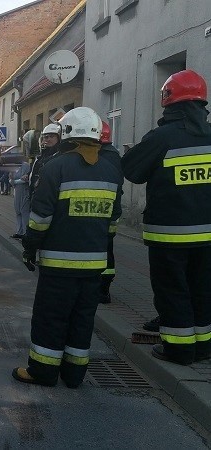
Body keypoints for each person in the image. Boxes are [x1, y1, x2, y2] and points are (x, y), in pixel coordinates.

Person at [13, 107, 123, 388]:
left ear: (67, 135)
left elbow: (40, 219)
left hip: (59, 266)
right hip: (94, 266)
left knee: (51, 318)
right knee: (82, 320)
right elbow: (113, 221)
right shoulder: (111, 170)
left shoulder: (56, 167)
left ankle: (42, 372)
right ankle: (74, 375)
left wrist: (30, 247)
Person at [121, 69, 211, 365]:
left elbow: (132, 171)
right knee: (202, 288)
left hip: (171, 233)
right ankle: (203, 347)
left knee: (173, 290)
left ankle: (179, 349)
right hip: (208, 235)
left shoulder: (162, 137)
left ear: (168, 102)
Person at [99, 121, 123, 304]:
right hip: (111, 212)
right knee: (107, 249)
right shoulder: (113, 154)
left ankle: (101, 289)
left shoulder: (100, 156)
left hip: (101, 212)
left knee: (102, 250)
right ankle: (104, 289)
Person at [28, 123, 61, 198]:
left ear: (59, 138)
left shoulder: (60, 156)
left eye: (51, 137)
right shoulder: (40, 157)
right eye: (46, 137)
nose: (48, 139)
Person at [9, 158, 31, 239]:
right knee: (17, 211)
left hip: (24, 191)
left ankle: (26, 233)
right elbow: (10, 179)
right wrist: (12, 180)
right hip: (16, 191)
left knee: (24, 211)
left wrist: (14, 181)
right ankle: (19, 232)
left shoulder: (26, 166)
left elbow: (25, 179)